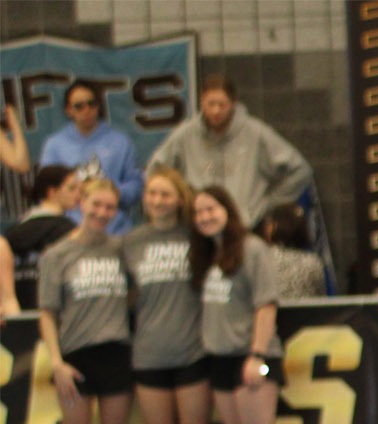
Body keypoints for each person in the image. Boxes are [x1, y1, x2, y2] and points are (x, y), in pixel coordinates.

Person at [191, 184, 289, 424]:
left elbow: (266, 304)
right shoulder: (211, 256)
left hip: (252, 357)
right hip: (220, 359)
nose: (205, 217)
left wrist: (257, 355)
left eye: (211, 209)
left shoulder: (253, 249)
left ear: (228, 210)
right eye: (199, 212)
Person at [38, 179, 134, 424]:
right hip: (75, 358)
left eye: (109, 208)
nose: (101, 213)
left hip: (115, 352)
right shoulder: (57, 255)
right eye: (96, 205)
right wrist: (57, 361)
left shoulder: (121, 250)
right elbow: (47, 313)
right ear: (81, 202)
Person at [123, 167, 212, 424]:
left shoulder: (198, 237)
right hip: (149, 354)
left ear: (179, 198)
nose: (158, 201)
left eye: (165, 194)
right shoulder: (131, 243)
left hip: (193, 351)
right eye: (152, 194)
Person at [149, 74, 314, 229]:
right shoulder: (185, 135)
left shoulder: (255, 133)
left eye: (222, 104)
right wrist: (181, 202)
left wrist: (267, 204)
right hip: (199, 227)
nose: (216, 111)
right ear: (201, 102)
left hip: (245, 227)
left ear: (233, 103)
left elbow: (300, 170)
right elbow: (155, 171)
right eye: (210, 104)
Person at [39, 80, 143, 234]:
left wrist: (113, 193)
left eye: (91, 103)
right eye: (79, 106)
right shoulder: (55, 145)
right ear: (68, 110)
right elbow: (47, 191)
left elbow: (136, 184)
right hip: (69, 230)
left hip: (115, 229)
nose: (86, 110)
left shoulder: (120, 141)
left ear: (99, 106)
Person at [1, 165, 82, 315]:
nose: (79, 194)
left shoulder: (12, 233)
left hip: (19, 312)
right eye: (72, 188)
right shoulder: (71, 232)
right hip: (57, 311)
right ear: (52, 192)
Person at [261, 202, 326, 299]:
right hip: (306, 314)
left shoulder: (264, 259)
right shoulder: (313, 262)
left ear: (273, 227)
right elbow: (320, 300)